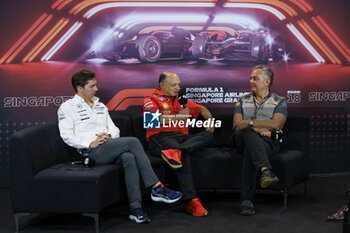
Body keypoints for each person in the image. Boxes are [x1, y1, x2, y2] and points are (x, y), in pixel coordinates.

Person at [58, 69, 182, 224]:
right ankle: (156, 187)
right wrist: (89, 143)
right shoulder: (67, 107)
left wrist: (109, 135)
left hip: (108, 147)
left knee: (128, 157)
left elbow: (114, 128)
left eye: (96, 85)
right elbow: (66, 135)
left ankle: (135, 209)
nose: (96, 89)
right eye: (92, 86)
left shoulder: (100, 106)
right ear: (80, 88)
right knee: (133, 142)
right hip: (89, 153)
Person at [143, 71, 214, 217]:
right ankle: (193, 201)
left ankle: (178, 152)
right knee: (182, 155)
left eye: (178, 85)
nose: (177, 88)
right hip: (160, 138)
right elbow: (151, 121)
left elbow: (202, 109)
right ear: (161, 85)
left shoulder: (181, 100)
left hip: (182, 139)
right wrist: (178, 116)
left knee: (207, 135)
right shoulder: (151, 98)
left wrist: (209, 119)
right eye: (173, 85)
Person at [232, 64, 287, 216]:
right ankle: (266, 170)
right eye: (250, 78)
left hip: (268, 143)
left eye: (255, 78)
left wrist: (249, 122)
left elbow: (277, 124)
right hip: (242, 140)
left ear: (266, 82)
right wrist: (256, 128)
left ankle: (246, 200)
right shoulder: (242, 100)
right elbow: (237, 125)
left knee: (251, 150)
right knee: (248, 132)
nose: (251, 81)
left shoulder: (279, 101)